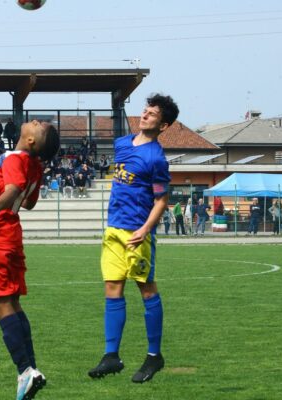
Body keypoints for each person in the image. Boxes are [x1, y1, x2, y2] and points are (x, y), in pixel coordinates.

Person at [88, 93, 179, 384]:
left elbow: (161, 200)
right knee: (112, 287)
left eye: (152, 114)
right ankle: (111, 356)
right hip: (114, 228)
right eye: (146, 110)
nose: (145, 114)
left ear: (163, 125)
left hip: (137, 233)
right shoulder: (122, 145)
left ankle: (154, 356)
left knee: (146, 289)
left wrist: (144, 230)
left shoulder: (156, 158)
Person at [0, 119, 59, 400]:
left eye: (38, 125)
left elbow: (13, 187)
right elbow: (30, 201)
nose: (33, 121)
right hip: (10, 236)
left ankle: (24, 371)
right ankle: (31, 369)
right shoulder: (35, 165)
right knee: (13, 302)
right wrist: (9, 195)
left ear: (32, 141)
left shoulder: (14, 158)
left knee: (0, 302)